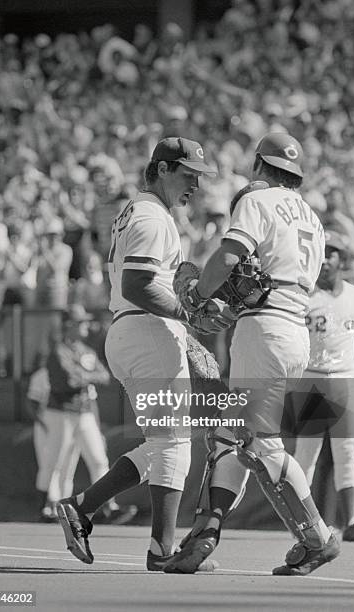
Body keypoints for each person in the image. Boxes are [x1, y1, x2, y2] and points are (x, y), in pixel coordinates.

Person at [164, 132, 341, 576]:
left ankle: (317, 538)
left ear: (261, 166)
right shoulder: (313, 219)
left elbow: (229, 257)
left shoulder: (257, 200)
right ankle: (206, 531)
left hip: (265, 330)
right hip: (292, 327)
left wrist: (197, 296)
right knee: (229, 434)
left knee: (258, 443)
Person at [57, 137, 230, 570]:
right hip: (145, 328)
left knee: (164, 443)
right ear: (163, 169)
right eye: (188, 174)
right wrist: (189, 315)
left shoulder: (140, 210)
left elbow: (140, 286)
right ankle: (162, 550)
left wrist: (184, 325)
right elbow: (138, 285)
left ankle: (83, 505)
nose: (195, 184)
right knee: (173, 445)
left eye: (199, 176)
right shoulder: (153, 216)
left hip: (132, 330)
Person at [292, 230, 354, 542]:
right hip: (311, 380)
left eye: (333, 253)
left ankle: (351, 522)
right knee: (306, 455)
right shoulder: (303, 296)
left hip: (346, 379)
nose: (326, 259)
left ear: (344, 260)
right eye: (322, 252)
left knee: (347, 454)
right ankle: (301, 521)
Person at [35, 304, 136, 524]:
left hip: (85, 412)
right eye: (81, 322)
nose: (86, 326)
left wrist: (83, 375)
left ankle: (109, 506)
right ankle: (45, 506)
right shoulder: (58, 351)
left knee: (99, 458)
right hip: (61, 413)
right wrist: (86, 375)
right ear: (69, 325)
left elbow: (104, 376)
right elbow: (68, 381)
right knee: (55, 460)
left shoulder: (86, 351)